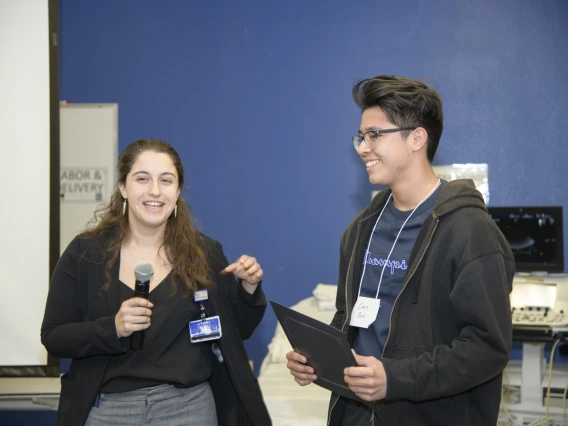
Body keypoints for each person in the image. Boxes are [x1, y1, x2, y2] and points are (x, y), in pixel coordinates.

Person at [285, 75, 514, 425]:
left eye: (375, 135)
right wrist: (317, 359)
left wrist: (395, 378)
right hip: (357, 414)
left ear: (417, 139)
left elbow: (487, 348)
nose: (362, 147)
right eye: (361, 137)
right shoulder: (361, 229)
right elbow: (351, 320)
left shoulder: (469, 232)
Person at [41, 139, 271, 426]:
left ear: (177, 192)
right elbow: (54, 337)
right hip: (108, 412)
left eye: (166, 180)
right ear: (123, 188)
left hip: (188, 410)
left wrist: (248, 289)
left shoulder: (204, 253)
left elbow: (236, 332)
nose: (155, 191)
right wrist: (112, 328)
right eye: (142, 179)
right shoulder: (85, 253)